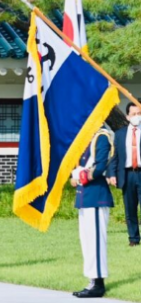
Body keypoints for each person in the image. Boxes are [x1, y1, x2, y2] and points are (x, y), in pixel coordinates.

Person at [71, 126, 114, 298]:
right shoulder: (86, 137)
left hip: (96, 195)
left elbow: (100, 165)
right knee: (87, 240)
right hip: (85, 197)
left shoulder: (101, 137)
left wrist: (81, 176)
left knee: (96, 241)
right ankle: (92, 280)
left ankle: (98, 283)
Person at [108, 102, 141, 246]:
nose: (136, 117)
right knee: (130, 209)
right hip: (127, 175)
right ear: (127, 116)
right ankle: (133, 239)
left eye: (139, 114)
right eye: (133, 114)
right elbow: (115, 157)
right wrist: (112, 174)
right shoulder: (120, 134)